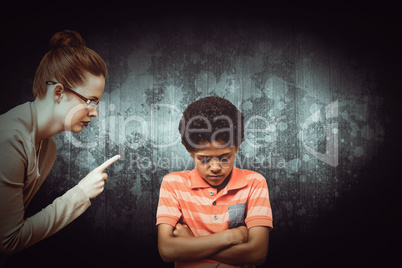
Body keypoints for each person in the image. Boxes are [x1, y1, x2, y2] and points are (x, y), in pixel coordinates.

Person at [0, 30, 120, 265]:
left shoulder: (47, 147)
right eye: (90, 101)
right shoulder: (10, 138)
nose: (95, 112)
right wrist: (81, 193)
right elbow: (8, 240)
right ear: (58, 92)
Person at [156, 96, 273, 267]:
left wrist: (191, 242)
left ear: (238, 146)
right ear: (190, 151)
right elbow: (167, 250)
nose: (215, 167)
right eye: (204, 159)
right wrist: (231, 236)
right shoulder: (173, 184)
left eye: (225, 158)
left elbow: (257, 253)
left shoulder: (254, 183)